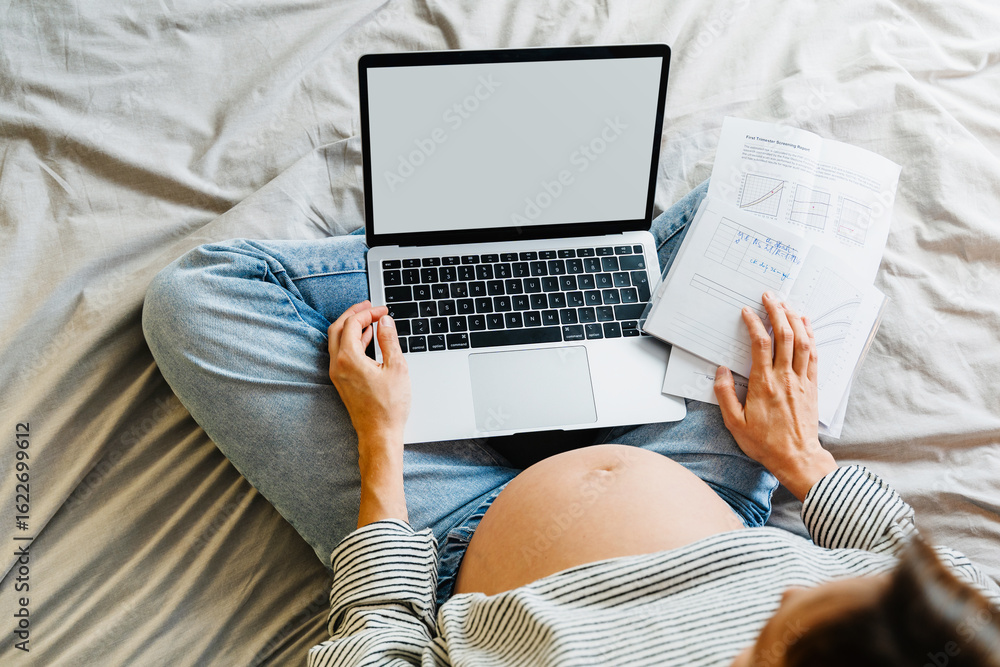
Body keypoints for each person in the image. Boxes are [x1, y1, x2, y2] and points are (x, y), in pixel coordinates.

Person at [143, 182, 1000, 666]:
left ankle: (476, 275)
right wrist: (802, 457)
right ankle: (577, 281)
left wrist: (381, 447)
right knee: (772, 200)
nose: (780, 592)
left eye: (781, 630)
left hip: (447, 535)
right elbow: (924, 567)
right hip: (708, 479)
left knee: (201, 298)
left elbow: (379, 652)